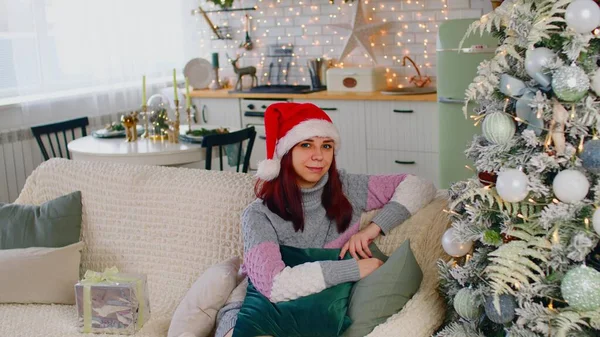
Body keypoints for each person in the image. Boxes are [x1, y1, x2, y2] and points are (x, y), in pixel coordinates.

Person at [215, 102, 436, 337]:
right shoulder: (258, 214)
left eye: (327, 146)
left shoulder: (347, 188)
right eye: (306, 144)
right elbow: (274, 286)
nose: (319, 156)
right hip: (260, 307)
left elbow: (420, 185)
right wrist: (352, 268)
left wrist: (373, 229)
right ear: (286, 152)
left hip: (321, 309)